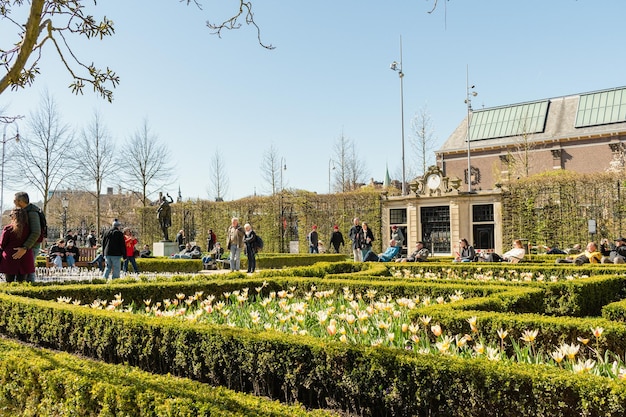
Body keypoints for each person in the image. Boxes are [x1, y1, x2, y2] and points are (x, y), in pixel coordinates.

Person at [13, 192, 42, 283]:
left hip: (31, 246)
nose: (13, 202)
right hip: (28, 246)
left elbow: (36, 232)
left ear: (20, 201)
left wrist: (25, 247)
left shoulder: (32, 212)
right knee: (25, 270)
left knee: (28, 271)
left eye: (15, 200)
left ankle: (30, 291)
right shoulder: (26, 211)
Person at [0, 208, 35, 282]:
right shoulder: (30, 229)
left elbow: (2, 244)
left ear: (14, 217)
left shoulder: (9, 228)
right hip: (25, 258)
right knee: (22, 283)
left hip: (10, 258)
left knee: (9, 283)